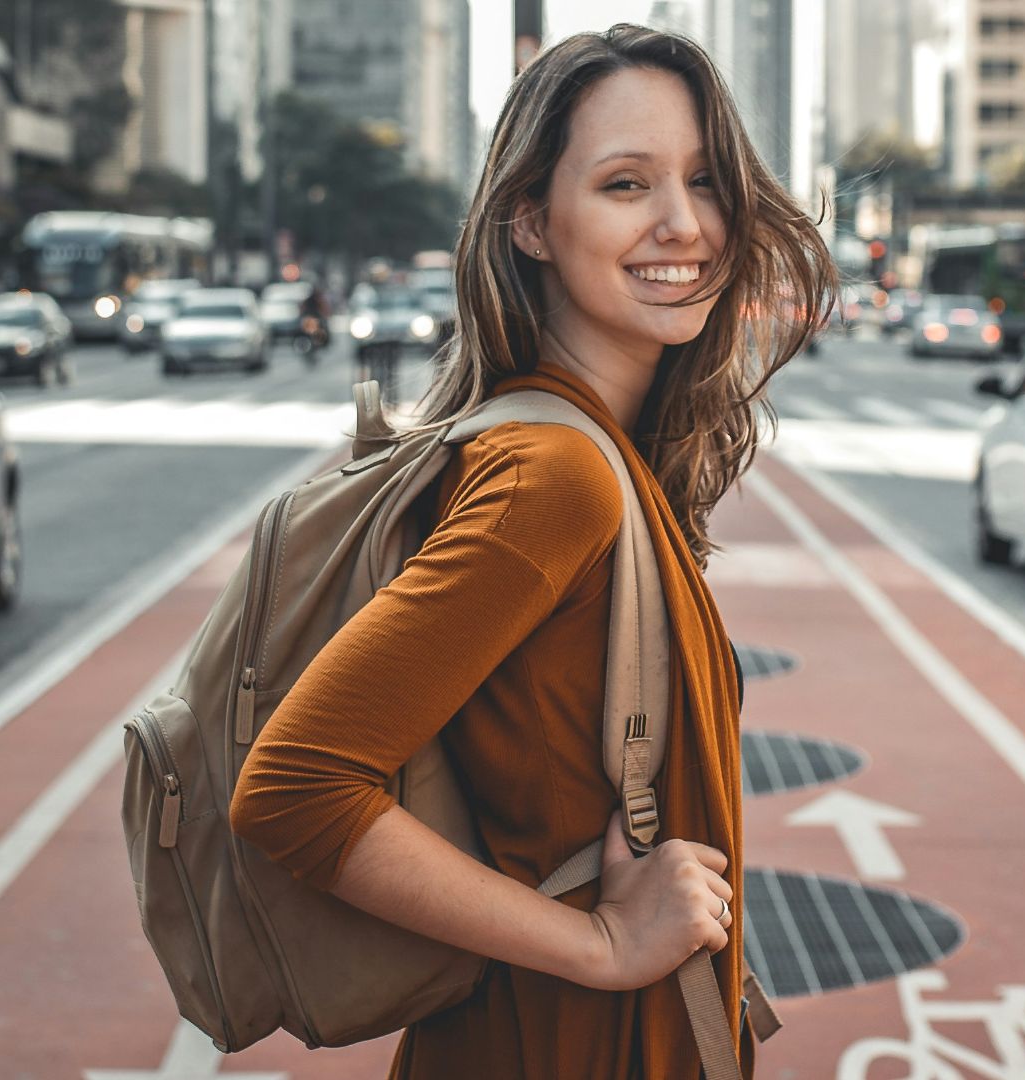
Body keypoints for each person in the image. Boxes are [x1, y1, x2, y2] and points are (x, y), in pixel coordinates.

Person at [227, 24, 834, 1080]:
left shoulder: (589, 450)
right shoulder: (555, 478)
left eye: (703, 179)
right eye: (625, 184)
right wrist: (600, 945)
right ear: (532, 223)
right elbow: (296, 785)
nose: (682, 223)